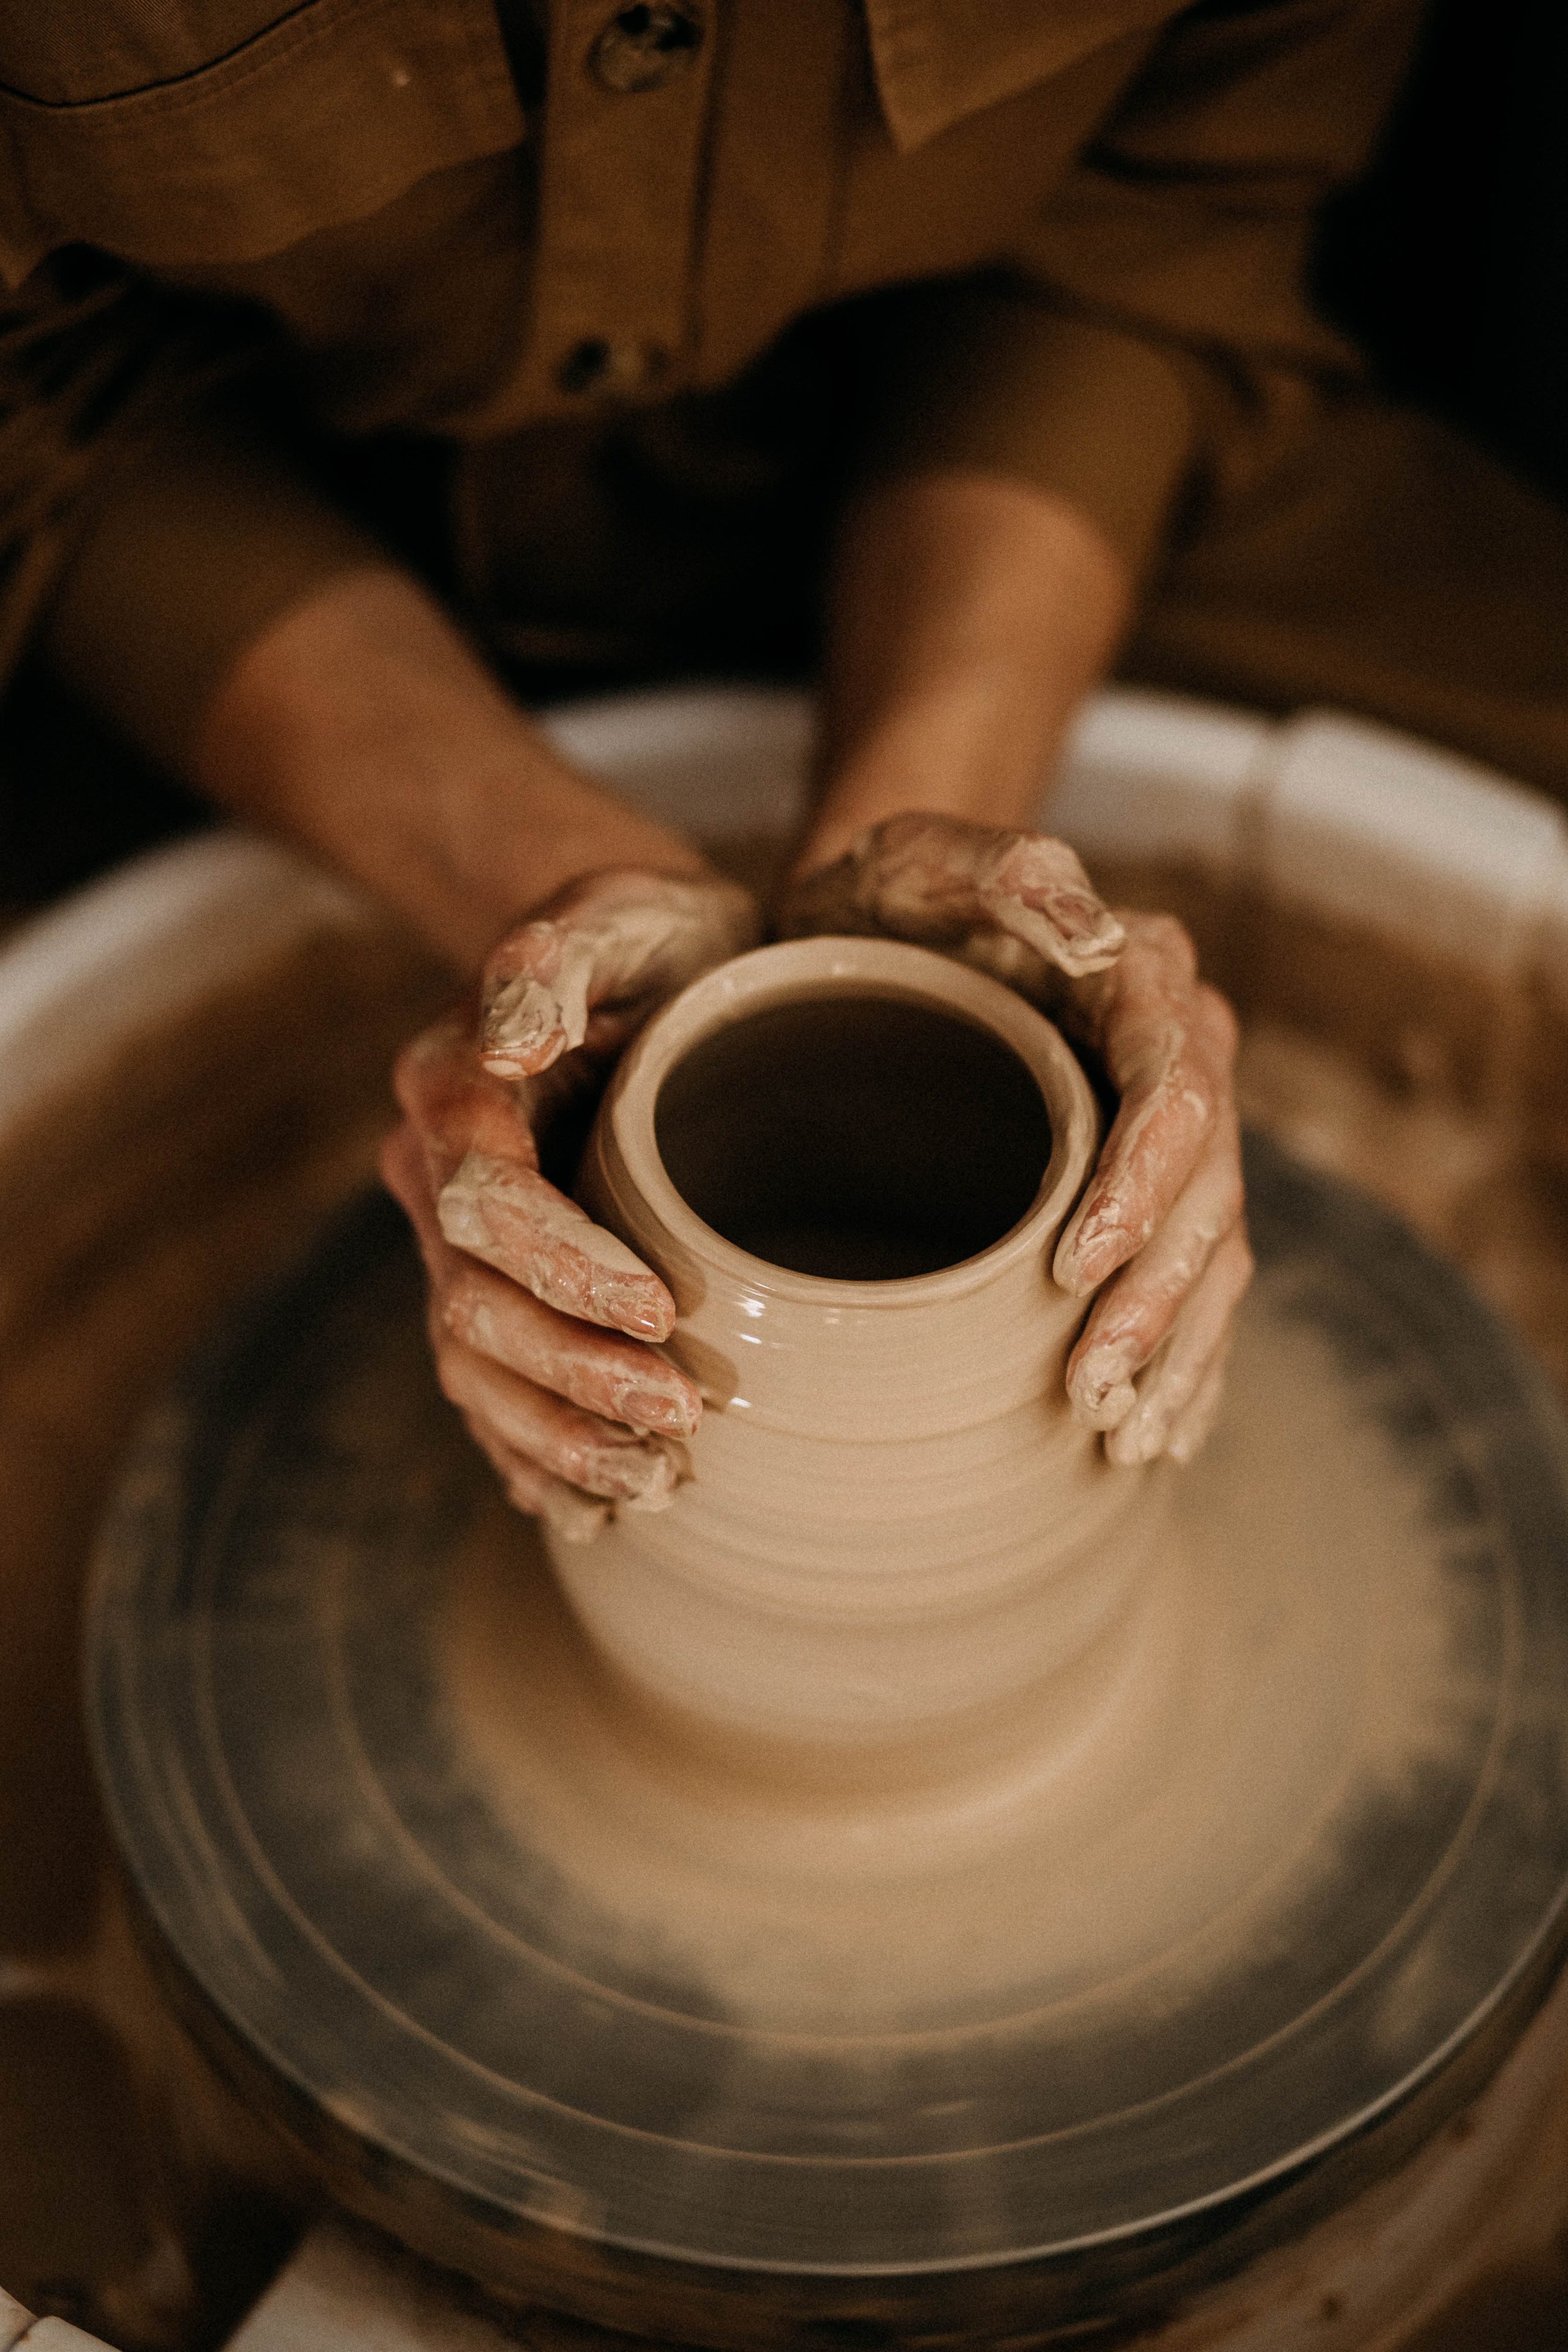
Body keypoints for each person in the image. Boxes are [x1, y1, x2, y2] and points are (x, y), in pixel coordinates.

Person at [0, 0, 1444, 1532]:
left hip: (975, 457)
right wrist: (532, 889)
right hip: (262, 512)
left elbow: (1173, 198)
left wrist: (917, 817)